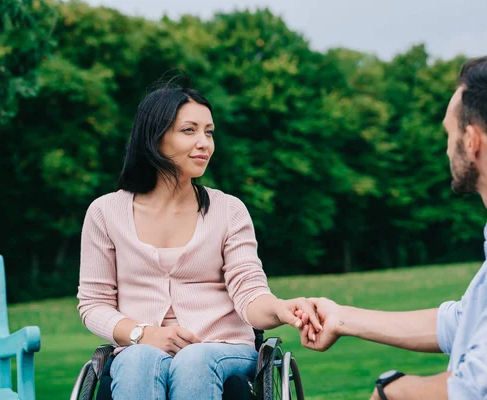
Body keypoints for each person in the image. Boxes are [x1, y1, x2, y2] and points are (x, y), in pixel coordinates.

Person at [297, 56, 487, 400]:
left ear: (471, 141)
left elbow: (481, 389)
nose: (447, 148)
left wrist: (393, 390)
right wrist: (342, 318)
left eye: (449, 134)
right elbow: (463, 322)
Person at [77, 85, 322, 399]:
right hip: (140, 349)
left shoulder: (228, 211)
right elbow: (94, 304)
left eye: (209, 132)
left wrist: (281, 307)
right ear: (154, 137)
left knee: (195, 359)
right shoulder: (105, 213)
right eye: (189, 131)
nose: (204, 143)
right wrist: (142, 334)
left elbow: (249, 292)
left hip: (224, 350)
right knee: (139, 358)